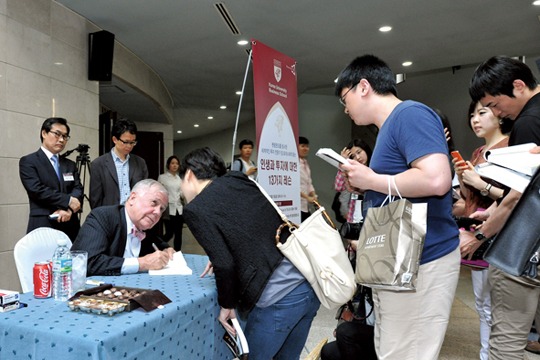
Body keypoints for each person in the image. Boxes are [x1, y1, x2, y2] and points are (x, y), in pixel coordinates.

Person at [335, 54, 460, 360]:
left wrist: (373, 180)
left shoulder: (410, 114)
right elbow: (401, 185)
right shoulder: (392, 125)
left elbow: (436, 179)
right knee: (394, 347)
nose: (346, 108)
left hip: (422, 258)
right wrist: (366, 183)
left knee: (406, 351)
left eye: (344, 98)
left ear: (363, 86)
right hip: (402, 259)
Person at [179, 147, 320, 360]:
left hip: (279, 299)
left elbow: (224, 264)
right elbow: (251, 229)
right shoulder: (238, 179)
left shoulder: (196, 209)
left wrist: (227, 305)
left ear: (189, 174)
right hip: (309, 285)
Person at [468, 55, 540, 360]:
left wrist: (481, 235)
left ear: (519, 86)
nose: (498, 113)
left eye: (495, 104)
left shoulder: (528, 123)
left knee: (505, 344)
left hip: (522, 252)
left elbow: (518, 199)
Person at [452, 100, 511, 360]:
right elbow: (470, 199)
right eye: (472, 114)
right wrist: (464, 179)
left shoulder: (510, 147)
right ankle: (486, 354)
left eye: (482, 113)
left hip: (499, 234)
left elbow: (514, 196)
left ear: (499, 116)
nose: (475, 119)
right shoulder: (478, 152)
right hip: (476, 233)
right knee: (483, 304)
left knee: (498, 309)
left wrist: (479, 183)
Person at [71, 179, 174, 276]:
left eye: (161, 209)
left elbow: (157, 242)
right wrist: (141, 263)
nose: (157, 212)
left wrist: (167, 249)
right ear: (133, 198)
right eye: (153, 203)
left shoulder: (146, 226)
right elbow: (87, 262)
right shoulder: (103, 217)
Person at [19, 117, 83, 242]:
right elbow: (37, 190)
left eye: (65, 136)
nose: (61, 140)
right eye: (57, 134)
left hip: (70, 226)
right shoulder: (29, 162)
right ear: (44, 133)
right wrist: (68, 201)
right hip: (43, 223)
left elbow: (78, 188)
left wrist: (68, 210)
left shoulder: (69, 164)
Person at [89, 118, 148, 209]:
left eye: (133, 142)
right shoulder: (98, 164)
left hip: (135, 215)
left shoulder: (140, 163)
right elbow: (95, 199)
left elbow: (145, 192)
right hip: (110, 217)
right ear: (115, 139)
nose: (129, 146)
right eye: (126, 142)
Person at [334, 139, 372, 249]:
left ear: (366, 150)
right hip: (354, 217)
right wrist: (343, 163)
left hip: (371, 216)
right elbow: (338, 186)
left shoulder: (376, 166)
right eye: (353, 156)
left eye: (359, 152)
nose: (358, 158)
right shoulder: (352, 172)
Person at [157, 155, 184, 251]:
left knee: (179, 233)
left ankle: (178, 253)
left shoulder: (179, 179)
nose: (175, 165)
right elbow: (159, 192)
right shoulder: (162, 177)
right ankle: (157, 246)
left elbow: (181, 193)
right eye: (172, 163)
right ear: (168, 165)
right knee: (169, 233)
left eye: (177, 163)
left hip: (179, 208)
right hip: (168, 208)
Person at [298, 136, 317, 222]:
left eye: (307, 146)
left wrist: (313, 195)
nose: (306, 149)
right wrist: (307, 197)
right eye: (302, 146)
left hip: (305, 205)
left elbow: (309, 183)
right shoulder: (294, 163)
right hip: (297, 205)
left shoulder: (305, 163)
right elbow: (293, 186)